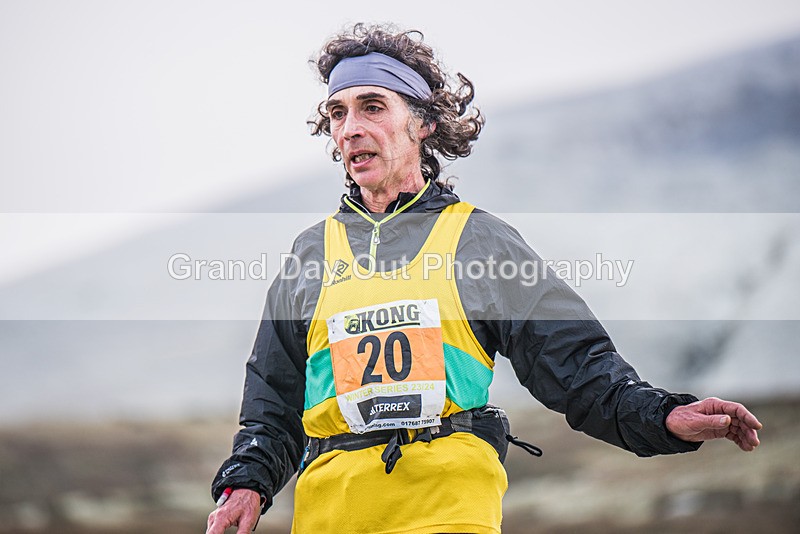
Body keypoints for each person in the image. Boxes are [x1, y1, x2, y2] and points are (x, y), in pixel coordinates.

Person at [206, 23, 762, 534]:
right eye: (337, 113)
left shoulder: (479, 242)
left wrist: (663, 416)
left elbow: (577, 369)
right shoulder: (311, 254)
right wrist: (245, 484)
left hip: (449, 513)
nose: (351, 129)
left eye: (372, 107)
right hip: (331, 516)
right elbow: (272, 402)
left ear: (421, 123)